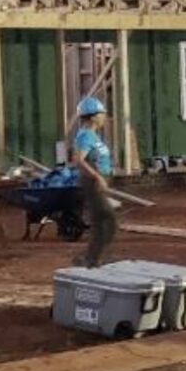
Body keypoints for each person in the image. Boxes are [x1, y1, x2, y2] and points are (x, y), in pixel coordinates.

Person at [70, 96, 118, 268]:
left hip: (99, 180)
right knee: (108, 219)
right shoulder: (85, 136)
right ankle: (92, 258)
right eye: (102, 113)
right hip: (92, 182)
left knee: (100, 222)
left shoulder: (93, 136)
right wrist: (98, 177)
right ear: (93, 116)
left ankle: (93, 259)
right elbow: (78, 160)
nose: (104, 116)